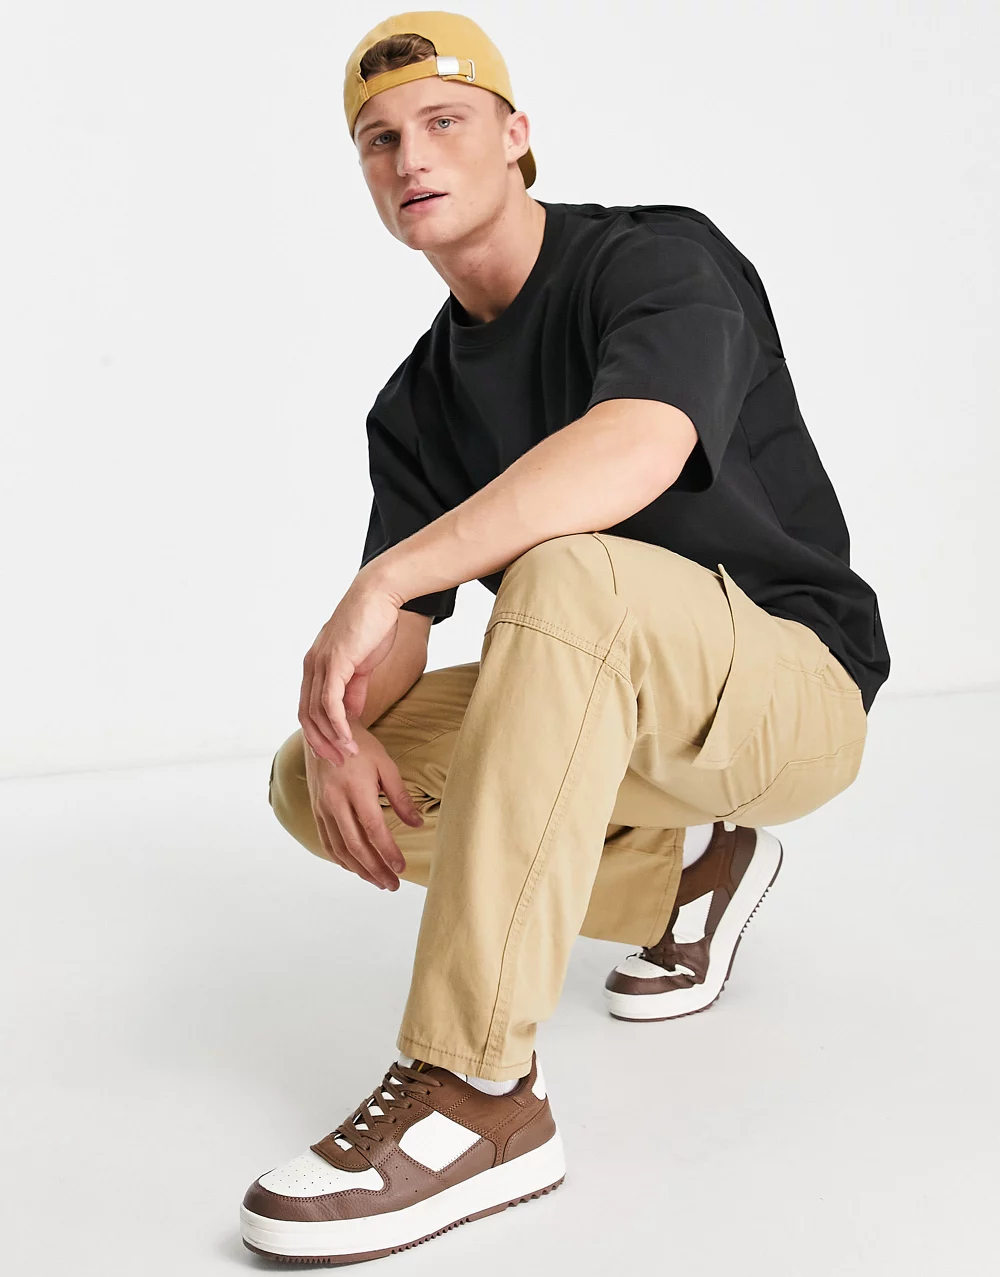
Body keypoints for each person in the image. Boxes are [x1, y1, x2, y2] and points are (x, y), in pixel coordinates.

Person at [240, 10, 891, 1265]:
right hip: (604, 705)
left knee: (567, 571)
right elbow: (405, 632)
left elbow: (635, 445)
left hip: (788, 686)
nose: (411, 157)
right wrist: (341, 722)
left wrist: (387, 573)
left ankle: (478, 1091)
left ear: (516, 136)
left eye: (444, 121)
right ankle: (680, 871)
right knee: (310, 778)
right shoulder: (417, 400)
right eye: (378, 140)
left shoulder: (655, 261)